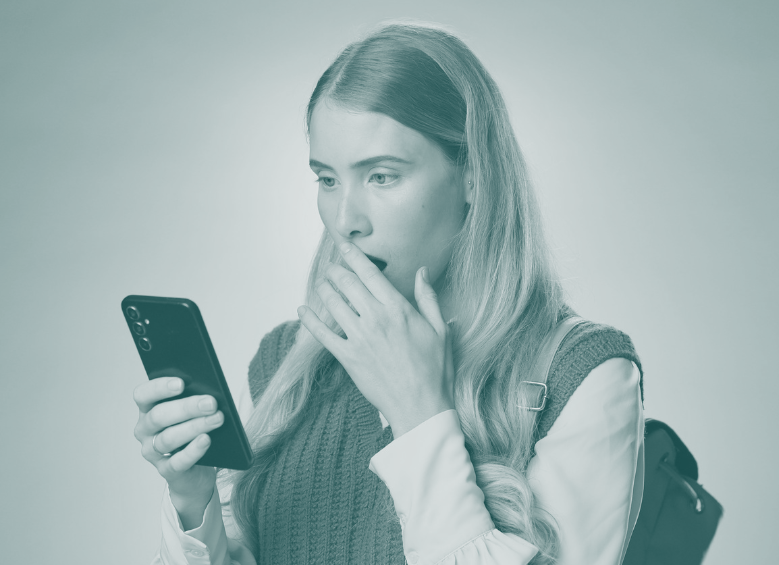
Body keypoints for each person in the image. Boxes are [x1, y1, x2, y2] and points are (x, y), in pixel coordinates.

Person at [132, 21, 645, 565]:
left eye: (381, 176)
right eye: (327, 180)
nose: (346, 221)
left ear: (474, 175)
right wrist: (193, 502)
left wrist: (419, 414)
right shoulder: (287, 365)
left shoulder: (583, 374)